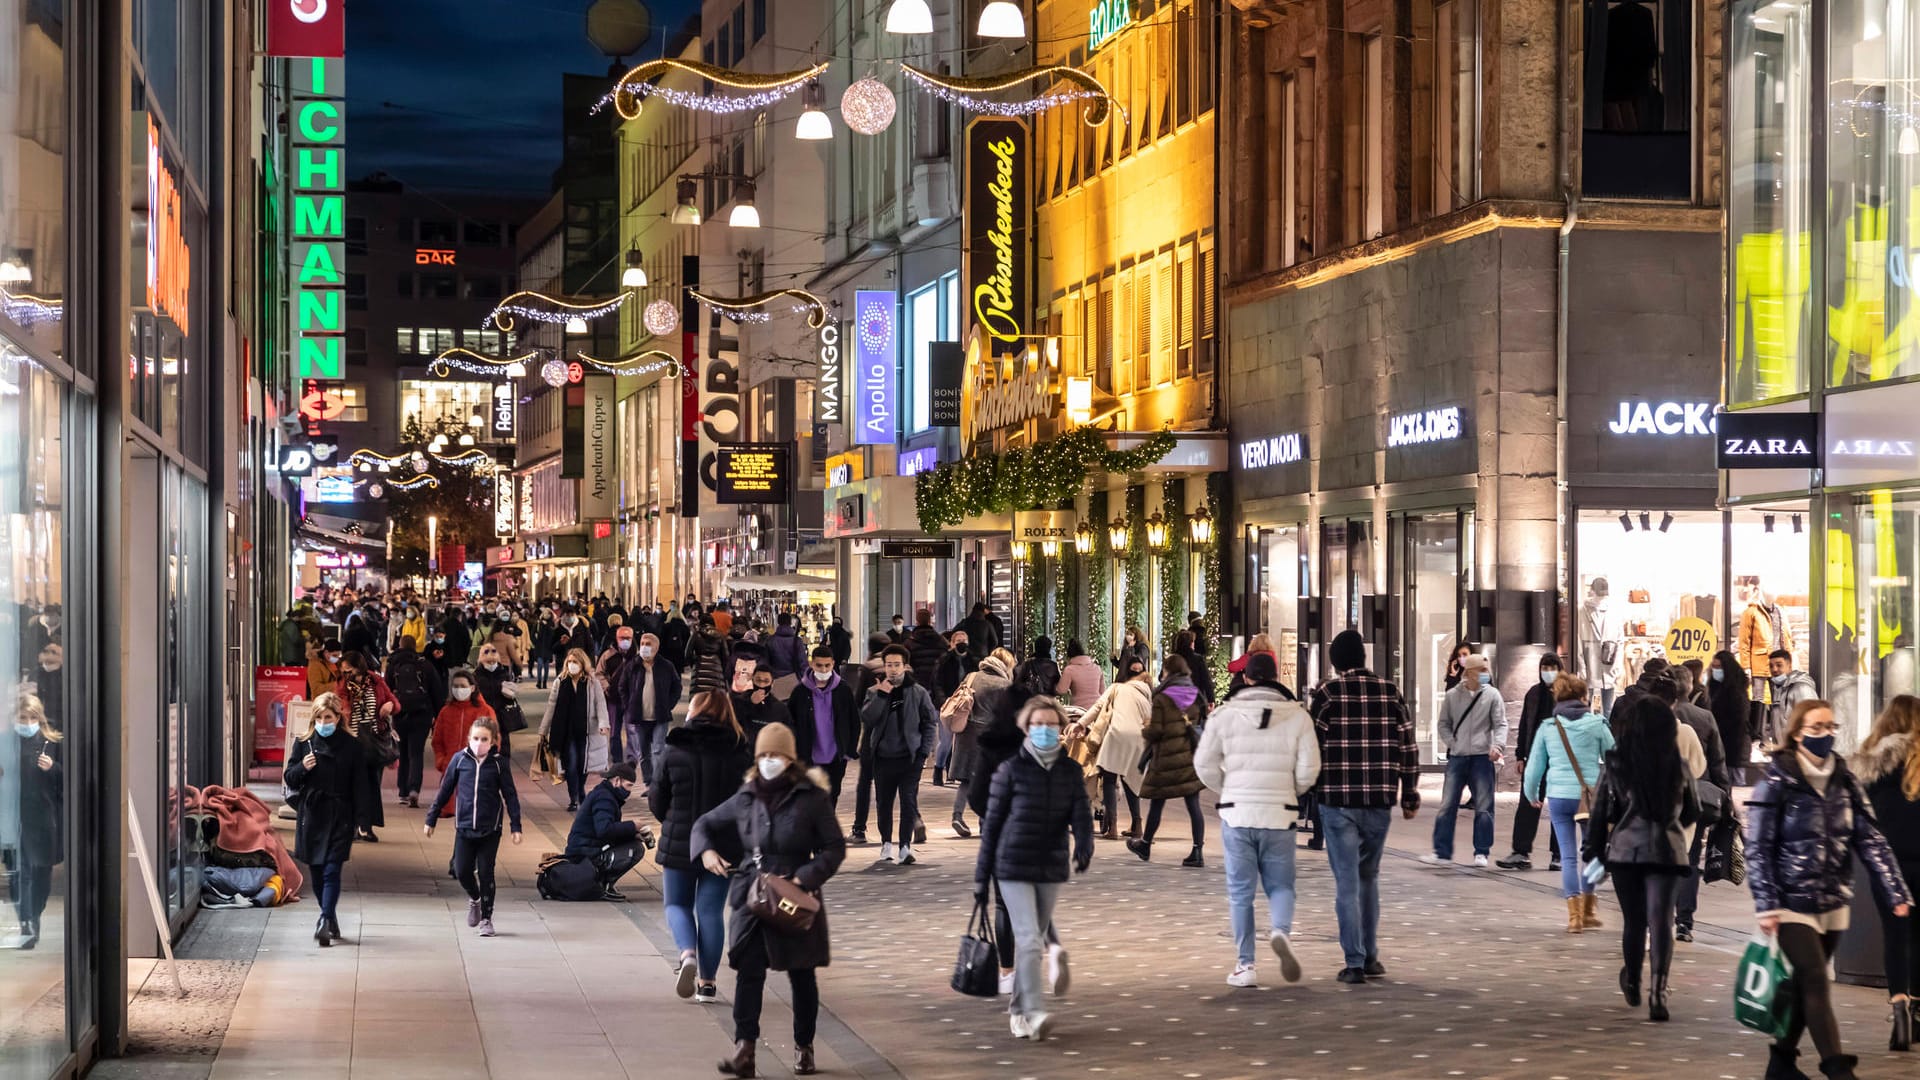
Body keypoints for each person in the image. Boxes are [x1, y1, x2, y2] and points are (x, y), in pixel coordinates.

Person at [1748, 700, 1913, 1078]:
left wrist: (1895, 890)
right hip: (1790, 901)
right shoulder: (1779, 777)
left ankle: (1781, 1062)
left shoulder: (1844, 777)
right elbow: (1758, 846)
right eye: (1816, 727)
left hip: (1833, 900)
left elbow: (1870, 839)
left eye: (1830, 727)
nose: (1825, 734)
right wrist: (1766, 903)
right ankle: (1837, 1069)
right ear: (1797, 732)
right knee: (1816, 979)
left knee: (1806, 983)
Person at [693, 723, 847, 1078]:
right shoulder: (747, 795)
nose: (768, 762)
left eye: (775, 755)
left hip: (794, 896)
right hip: (755, 894)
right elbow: (704, 824)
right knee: (749, 972)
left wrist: (804, 878)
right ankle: (744, 1049)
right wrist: (706, 853)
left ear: (789, 759)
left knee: (801, 975)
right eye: (763, 756)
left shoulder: (811, 797)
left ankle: (804, 1046)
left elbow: (834, 848)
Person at [1193, 653, 1320, 988]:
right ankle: (1280, 930)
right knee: (1281, 885)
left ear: (1246, 679)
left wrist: (1228, 787)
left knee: (1240, 892)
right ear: (1276, 677)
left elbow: (1204, 764)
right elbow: (1310, 769)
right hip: (1280, 812)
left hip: (1238, 812)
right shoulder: (1298, 717)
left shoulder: (1223, 715)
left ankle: (1245, 965)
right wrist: (1289, 790)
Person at [1306, 629, 1421, 983]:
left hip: (1338, 799)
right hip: (1378, 800)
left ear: (1335, 661)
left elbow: (1312, 745)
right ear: (1364, 658)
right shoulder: (1390, 691)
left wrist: (1308, 788)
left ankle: (1354, 962)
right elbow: (1408, 745)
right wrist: (1410, 793)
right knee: (1368, 876)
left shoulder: (1327, 693)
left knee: (1346, 882)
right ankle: (1372, 957)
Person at [974, 697, 1092, 1041]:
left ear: (1061, 729)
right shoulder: (1011, 769)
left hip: (1051, 865)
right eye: (1037, 724)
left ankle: (1017, 1009)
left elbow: (1081, 811)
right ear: (1026, 728)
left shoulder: (1069, 770)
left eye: (1051, 725)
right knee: (1026, 940)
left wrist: (1085, 842)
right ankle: (1034, 1011)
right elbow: (992, 827)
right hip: (1012, 865)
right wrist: (982, 879)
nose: (1044, 730)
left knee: (1034, 940)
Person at [1583, 697, 1701, 1023]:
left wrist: (1594, 852)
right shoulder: (1678, 765)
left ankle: (1632, 980)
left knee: (1634, 921)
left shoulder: (1617, 764)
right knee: (1661, 920)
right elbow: (1693, 811)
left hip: (1626, 853)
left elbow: (1601, 813)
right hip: (1668, 851)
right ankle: (1658, 992)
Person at [652, 692, 753, 1003]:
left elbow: (657, 797)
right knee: (710, 911)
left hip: (680, 840)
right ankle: (708, 984)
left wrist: (672, 819)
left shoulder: (675, 747)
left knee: (676, 905)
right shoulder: (740, 751)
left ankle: (687, 955)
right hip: (723, 844)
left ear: (694, 712)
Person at [1521, 674, 1615, 932]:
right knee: (1593, 852)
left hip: (1559, 796)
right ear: (1583, 697)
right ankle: (1588, 909)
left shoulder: (1548, 727)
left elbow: (1534, 766)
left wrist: (1532, 795)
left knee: (1568, 855)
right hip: (1590, 799)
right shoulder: (1597, 724)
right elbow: (1614, 757)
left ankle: (1574, 917)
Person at [1855, 695, 1920, 1051]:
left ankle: (1899, 1010)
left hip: (1888, 866)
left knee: (1896, 937)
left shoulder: (1872, 763)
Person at [423, 716, 523, 937]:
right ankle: (475, 898)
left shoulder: (499, 764)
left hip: (490, 829)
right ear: (469, 739)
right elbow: (445, 790)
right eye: (476, 738)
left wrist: (516, 826)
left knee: (487, 872)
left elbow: (510, 795)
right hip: (465, 828)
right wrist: (431, 818)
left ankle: (487, 918)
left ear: (494, 740)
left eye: (484, 739)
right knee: (462, 870)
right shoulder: (459, 760)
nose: (479, 743)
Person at [284, 692, 369, 947]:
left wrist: (361, 819)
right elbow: (289, 777)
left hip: (340, 814)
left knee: (332, 868)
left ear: (337, 717)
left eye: (328, 716)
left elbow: (360, 784)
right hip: (312, 815)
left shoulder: (352, 745)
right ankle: (329, 917)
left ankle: (323, 919)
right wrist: (303, 767)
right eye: (319, 717)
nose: (324, 721)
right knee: (317, 870)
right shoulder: (304, 743)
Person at [1664, 666, 1732, 943]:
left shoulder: (1659, 715)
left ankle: (1663, 915)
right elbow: (1717, 761)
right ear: (1690, 687)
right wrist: (1725, 796)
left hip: (1664, 797)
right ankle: (1685, 921)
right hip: (1697, 796)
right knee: (1691, 858)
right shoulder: (1704, 717)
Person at [1422, 653, 1505, 868]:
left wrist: (1497, 746)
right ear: (1469, 672)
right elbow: (1443, 724)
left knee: (1485, 806)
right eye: (1481, 670)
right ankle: (1441, 851)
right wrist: (1453, 743)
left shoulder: (1492, 695)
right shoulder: (1452, 695)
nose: (1485, 675)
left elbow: (1500, 724)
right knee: (1447, 805)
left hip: (1481, 756)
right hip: (1458, 757)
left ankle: (1482, 851)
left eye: (1486, 670)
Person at [858, 645, 938, 864]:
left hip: (910, 757)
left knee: (908, 801)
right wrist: (882, 695)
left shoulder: (918, 692)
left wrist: (924, 751)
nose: (892, 670)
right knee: (884, 802)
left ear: (905, 666)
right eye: (889, 665)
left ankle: (904, 846)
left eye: (897, 665)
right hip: (883, 757)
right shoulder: (874, 692)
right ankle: (886, 843)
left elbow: (930, 721)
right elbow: (867, 719)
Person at [1128, 656, 1209, 867]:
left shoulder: (1162, 698)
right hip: (1189, 757)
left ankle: (1145, 844)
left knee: (1157, 802)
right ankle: (1197, 851)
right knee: (1194, 805)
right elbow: (1201, 721)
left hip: (1165, 758)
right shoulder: (1195, 694)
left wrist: (1144, 730)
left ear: (1168, 672)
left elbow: (1157, 730)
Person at [4, 696, 62, 950]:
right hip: (13, 817)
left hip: (43, 817)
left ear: (40, 718)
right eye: (22, 718)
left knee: (41, 873)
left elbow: (68, 781)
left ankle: (35, 914)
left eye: (32, 718)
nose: (27, 723)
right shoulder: (6, 743)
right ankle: (25, 922)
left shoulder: (52, 743)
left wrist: (53, 768)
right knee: (21, 872)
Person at [1499, 653, 1565, 872]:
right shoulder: (1534, 694)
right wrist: (1520, 755)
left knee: (1559, 807)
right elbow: (1525, 726)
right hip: (1536, 759)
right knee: (1527, 805)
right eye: (1545, 667)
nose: (1548, 672)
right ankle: (1521, 852)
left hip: (1559, 761)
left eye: (1552, 667)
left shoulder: (1567, 694)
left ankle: (1559, 855)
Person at [1078, 656, 1154, 840]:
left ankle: (1112, 826)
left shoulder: (1117, 688)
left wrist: (1080, 723)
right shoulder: (1146, 694)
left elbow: (1097, 706)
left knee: (1110, 778)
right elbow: (1150, 718)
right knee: (1131, 780)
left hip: (1117, 734)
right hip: (1138, 739)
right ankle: (1137, 825)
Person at [565, 762, 648, 900]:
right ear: (616, 780)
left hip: (587, 847)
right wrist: (632, 825)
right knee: (636, 849)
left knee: (634, 842)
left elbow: (607, 831)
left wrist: (633, 834)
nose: (629, 791)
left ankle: (602, 883)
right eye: (628, 786)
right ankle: (603, 884)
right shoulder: (604, 798)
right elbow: (604, 831)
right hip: (583, 853)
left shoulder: (605, 794)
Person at [952, 651, 1013, 838]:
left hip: (967, 732)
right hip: (990, 735)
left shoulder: (972, 677)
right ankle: (984, 821)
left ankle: (957, 816)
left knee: (966, 778)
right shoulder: (1004, 685)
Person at [788, 646, 859, 807]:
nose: (824, 669)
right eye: (819, 665)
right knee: (808, 801)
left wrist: (849, 751)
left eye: (827, 665)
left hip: (836, 757)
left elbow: (854, 721)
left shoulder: (843, 689)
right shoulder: (800, 692)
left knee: (831, 798)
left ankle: (826, 831)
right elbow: (790, 723)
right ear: (812, 664)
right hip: (808, 757)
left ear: (833, 664)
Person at [335, 651, 393, 842]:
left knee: (371, 784)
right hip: (352, 740)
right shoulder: (343, 686)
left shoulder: (376, 681)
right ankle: (351, 826)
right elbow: (340, 706)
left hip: (374, 740)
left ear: (359, 667)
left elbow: (394, 702)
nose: (346, 675)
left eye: (348, 670)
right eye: (343, 671)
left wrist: (390, 705)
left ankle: (366, 826)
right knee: (350, 784)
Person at [383, 636, 446, 810]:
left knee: (402, 753)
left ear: (400, 646)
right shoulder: (425, 665)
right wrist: (437, 716)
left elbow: (386, 690)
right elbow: (437, 691)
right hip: (422, 714)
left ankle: (402, 791)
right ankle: (414, 789)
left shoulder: (393, 664)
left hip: (399, 714)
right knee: (416, 753)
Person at [546, 648, 610, 812]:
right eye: (570, 662)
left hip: (586, 731)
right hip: (566, 732)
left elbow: (600, 704)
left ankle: (580, 789)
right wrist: (543, 729)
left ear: (583, 664)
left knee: (583, 764)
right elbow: (551, 707)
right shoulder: (560, 681)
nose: (572, 665)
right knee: (571, 764)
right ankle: (574, 797)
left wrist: (603, 723)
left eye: (575, 662)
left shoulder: (591, 682)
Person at [621, 631, 682, 786]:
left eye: (648, 644)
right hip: (640, 717)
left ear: (656, 647)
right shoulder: (633, 666)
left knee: (658, 750)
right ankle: (648, 782)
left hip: (659, 717)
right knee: (643, 753)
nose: (644, 647)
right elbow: (622, 687)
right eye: (642, 644)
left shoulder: (666, 666)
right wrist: (628, 706)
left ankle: (658, 783)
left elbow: (677, 687)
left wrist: (669, 705)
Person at [431, 668, 496, 780]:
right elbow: (437, 741)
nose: (459, 689)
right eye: (455, 686)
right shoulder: (445, 711)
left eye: (462, 686)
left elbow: (494, 741)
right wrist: (441, 761)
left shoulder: (485, 711)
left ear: (472, 688)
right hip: (450, 769)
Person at [932, 630, 978, 787]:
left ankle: (955, 770)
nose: (961, 643)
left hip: (965, 704)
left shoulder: (973, 660)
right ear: (951, 643)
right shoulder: (944, 660)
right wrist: (943, 701)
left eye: (964, 640)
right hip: (948, 704)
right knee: (946, 740)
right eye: (958, 640)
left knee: (963, 740)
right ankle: (938, 769)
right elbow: (937, 683)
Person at [1709, 650, 1756, 785]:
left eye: (1718, 667)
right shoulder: (1716, 688)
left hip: (1735, 747)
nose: (1715, 670)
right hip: (1724, 746)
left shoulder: (1736, 691)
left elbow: (1739, 720)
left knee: (1735, 786)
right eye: (1714, 667)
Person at [595, 625, 639, 762]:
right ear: (617, 638)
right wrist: (606, 687)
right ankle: (617, 758)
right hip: (614, 699)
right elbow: (599, 673)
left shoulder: (638, 657)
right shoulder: (608, 655)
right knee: (614, 731)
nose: (625, 641)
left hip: (631, 699)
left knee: (632, 731)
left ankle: (632, 758)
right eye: (622, 638)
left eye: (628, 638)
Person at [471, 642, 523, 756]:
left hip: (502, 717)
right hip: (484, 718)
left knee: (503, 750)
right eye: (488, 662)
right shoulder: (476, 676)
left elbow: (510, 698)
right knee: (485, 749)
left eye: (493, 661)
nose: (491, 664)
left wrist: (510, 693)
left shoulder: (503, 673)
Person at [1766, 649, 1819, 751]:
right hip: (1784, 752)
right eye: (1771, 666)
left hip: (1799, 752)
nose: (1774, 669)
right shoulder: (1777, 689)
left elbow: (1812, 721)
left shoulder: (1801, 688)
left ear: (1789, 665)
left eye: (1779, 665)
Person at [731, 658, 791, 745]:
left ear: (772, 683)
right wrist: (750, 703)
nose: (761, 685)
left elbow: (788, 733)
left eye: (766, 681)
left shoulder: (780, 708)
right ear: (752, 680)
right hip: (744, 752)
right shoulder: (738, 701)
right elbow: (732, 723)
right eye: (758, 680)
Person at [686, 615, 732, 696]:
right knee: (715, 700)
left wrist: (694, 664)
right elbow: (725, 656)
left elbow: (687, 653)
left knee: (698, 699)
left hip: (699, 670)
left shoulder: (696, 634)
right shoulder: (720, 635)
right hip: (716, 670)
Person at [764, 612, 808, 699]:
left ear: (778, 622)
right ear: (790, 622)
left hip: (775, 680)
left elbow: (765, 663)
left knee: (777, 709)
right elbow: (803, 664)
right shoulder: (797, 641)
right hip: (794, 680)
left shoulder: (770, 641)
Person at [1055, 638, 1105, 708]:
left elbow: (1061, 690)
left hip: (1079, 711)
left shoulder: (1070, 670)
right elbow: (1102, 692)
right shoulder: (1097, 668)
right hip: (1096, 710)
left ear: (1068, 656)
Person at [1172, 630, 1215, 709]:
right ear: (1191, 643)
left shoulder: (1172, 659)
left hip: (1175, 700)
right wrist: (1210, 699)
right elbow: (1206, 680)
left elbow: (1162, 677)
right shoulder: (1198, 659)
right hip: (1195, 700)